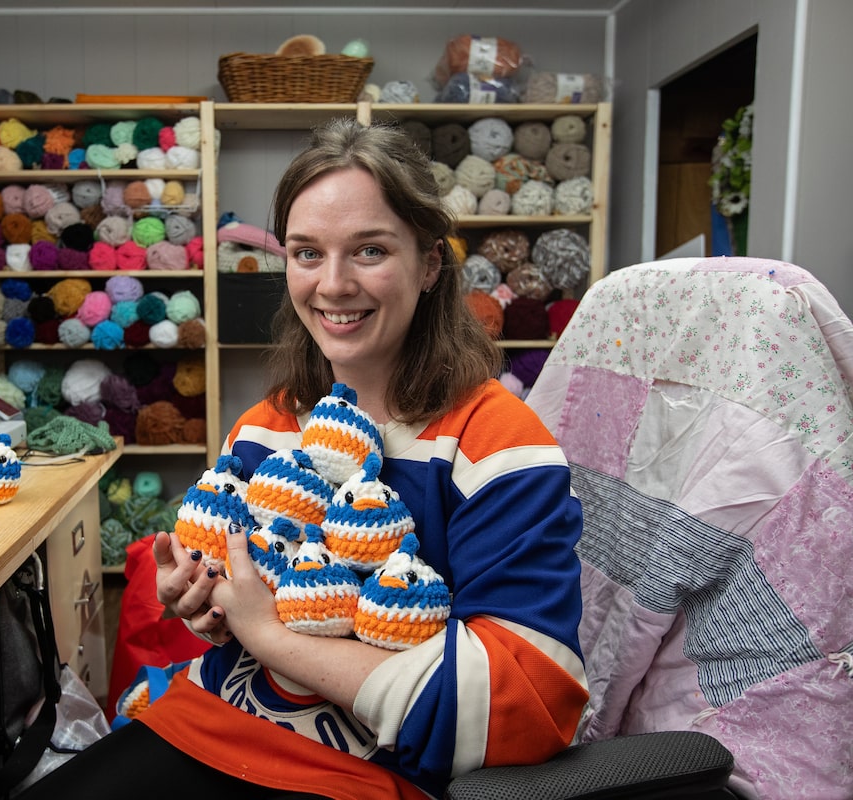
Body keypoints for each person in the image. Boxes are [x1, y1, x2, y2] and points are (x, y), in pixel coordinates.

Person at [39, 118, 588, 799]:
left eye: (369, 251)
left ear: (429, 264)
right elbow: (241, 617)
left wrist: (269, 636)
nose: (332, 284)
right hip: (213, 721)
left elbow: (530, 701)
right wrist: (205, 604)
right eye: (306, 253)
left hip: (360, 773)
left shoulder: (496, 441)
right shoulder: (265, 427)